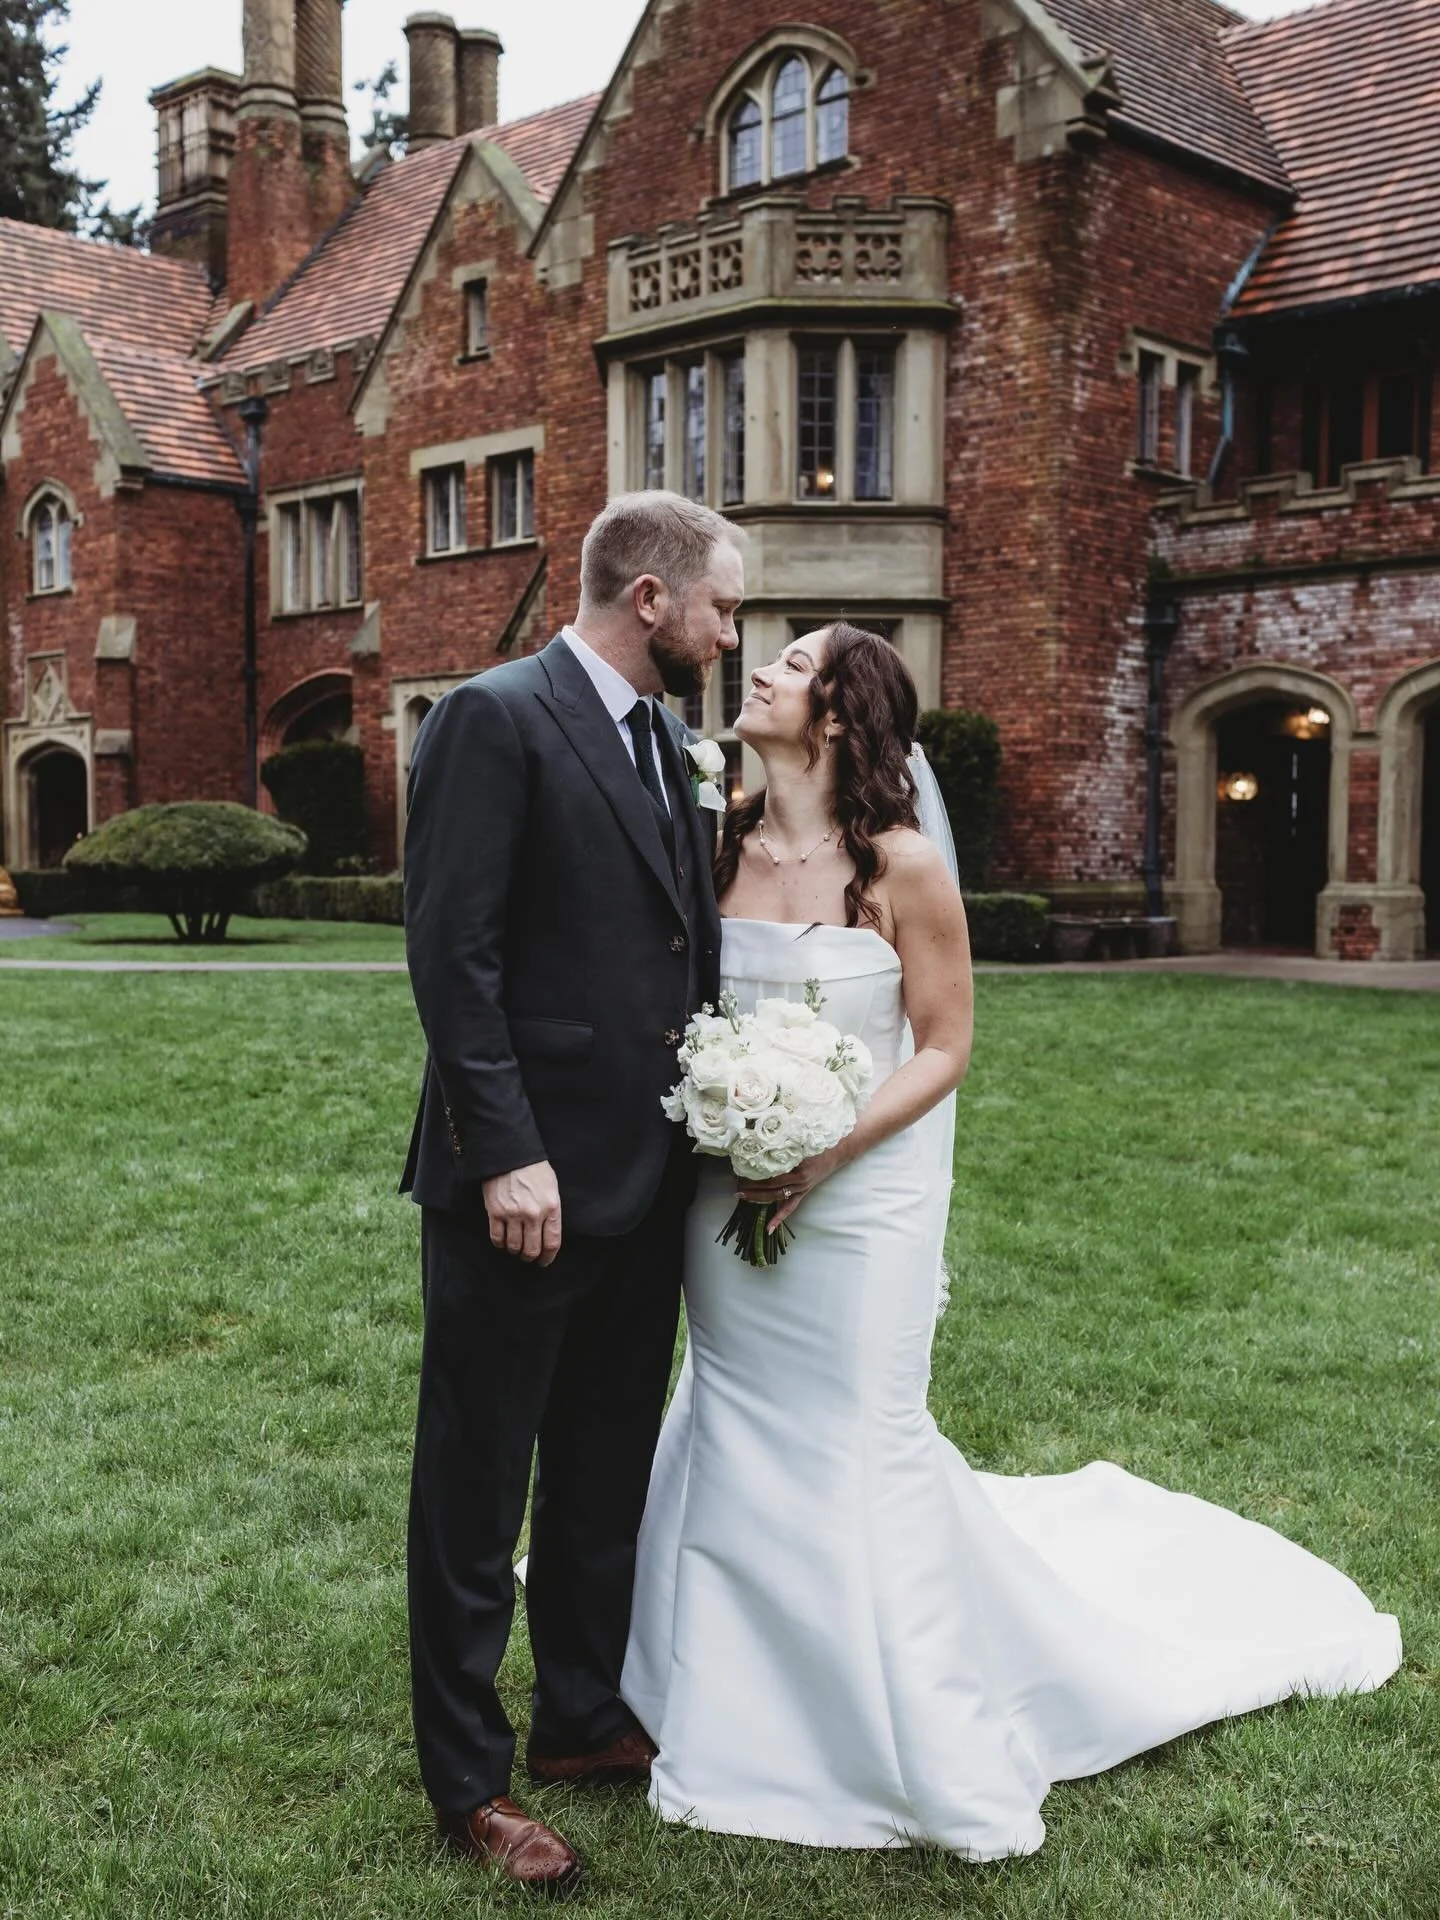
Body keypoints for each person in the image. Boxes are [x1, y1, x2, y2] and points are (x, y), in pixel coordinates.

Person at [622, 621, 1402, 1858]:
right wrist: (731, 1116)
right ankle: (715, 1687)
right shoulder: (710, 846)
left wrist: (822, 1148)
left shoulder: (901, 867)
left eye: (792, 663)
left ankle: (904, 1728)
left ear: (835, 716)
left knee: (855, 1434)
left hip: (860, 1197)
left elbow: (944, 1045)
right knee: (728, 1411)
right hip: (728, 1191)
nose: (759, 669)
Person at [401, 491, 744, 1894]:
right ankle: (468, 1779)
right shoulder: (493, 716)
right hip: (524, 1184)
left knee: (604, 1471)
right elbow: (452, 951)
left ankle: (583, 1718)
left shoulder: (668, 742)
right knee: (479, 1487)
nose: (733, 631)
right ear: (650, 598)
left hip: (648, 1178)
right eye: (722, 604)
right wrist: (506, 1150)